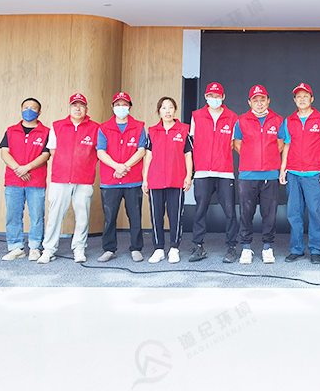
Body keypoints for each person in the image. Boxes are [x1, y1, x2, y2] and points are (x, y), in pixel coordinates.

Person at [38, 93, 100, 264]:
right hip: (60, 178)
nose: (78, 109)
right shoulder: (57, 126)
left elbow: (99, 152)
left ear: (86, 109)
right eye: (74, 105)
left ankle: (79, 248)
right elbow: (52, 150)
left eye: (81, 105)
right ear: (69, 108)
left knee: (82, 216)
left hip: (84, 179)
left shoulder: (95, 128)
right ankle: (49, 249)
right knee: (55, 215)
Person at [280, 82, 320, 264]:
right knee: (294, 213)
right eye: (299, 97)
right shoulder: (289, 121)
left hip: (314, 173)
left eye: (305, 96)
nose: (302, 100)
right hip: (293, 173)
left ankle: (315, 250)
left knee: (315, 213)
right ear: (295, 100)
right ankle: (297, 249)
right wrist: (283, 168)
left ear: (312, 99)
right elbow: (287, 145)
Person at [233, 85, 285, 264]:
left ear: (268, 100)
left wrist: (268, 159)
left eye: (263, 99)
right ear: (249, 102)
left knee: (269, 213)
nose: (259, 103)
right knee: (246, 212)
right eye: (255, 100)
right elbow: (237, 144)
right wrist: (252, 158)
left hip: (270, 174)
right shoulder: (241, 120)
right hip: (247, 174)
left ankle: (267, 247)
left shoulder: (278, 120)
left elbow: (281, 144)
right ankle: (246, 247)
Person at [189, 82, 239, 263]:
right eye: (211, 96)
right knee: (200, 210)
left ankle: (232, 247)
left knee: (230, 212)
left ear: (223, 97)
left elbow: (234, 143)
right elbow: (192, 142)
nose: (214, 99)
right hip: (202, 171)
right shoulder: (196, 116)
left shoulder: (232, 117)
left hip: (225, 171)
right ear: (206, 97)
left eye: (218, 96)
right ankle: (198, 246)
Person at [96, 92, 147, 263]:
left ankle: (136, 248)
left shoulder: (139, 126)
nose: (121, 108)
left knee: (135, 216)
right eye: (117, 105)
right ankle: (109, 249)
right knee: (110, 217)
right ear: (112, 107)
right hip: (110, 181)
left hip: (133, 180)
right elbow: (100, 152)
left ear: (130, 107)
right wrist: (116, 166)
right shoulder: (104, 128)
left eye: (124, 104)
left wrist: (124, 166)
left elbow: (141, 150)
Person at [0, 98, 51, 261]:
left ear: (39, 112)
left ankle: (35, 247)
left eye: (33, 108)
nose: (29, 110)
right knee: (13, 215)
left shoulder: (46, 132)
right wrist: (18, 169)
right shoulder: (11, 131)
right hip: (13, 180)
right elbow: (4, 152)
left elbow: (46, 154)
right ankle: (16, 247)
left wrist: (27, 167)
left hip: (36, 180)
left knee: (37, 215)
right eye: (26, 107)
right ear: (21, 110)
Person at [142, 97, 193, 263]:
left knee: (175, 215)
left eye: (170, 107)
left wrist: (188, 176)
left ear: (175, 110)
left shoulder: (183, 130)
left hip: (176, 179)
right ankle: (158, 249)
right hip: (155, 179)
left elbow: (188, 155)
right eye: (164, 108)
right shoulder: (152, 131)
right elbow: (148, 157)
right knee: (156, 215)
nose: (167, 111)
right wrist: (145, 179)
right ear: (159, 112)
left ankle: (174, 248)